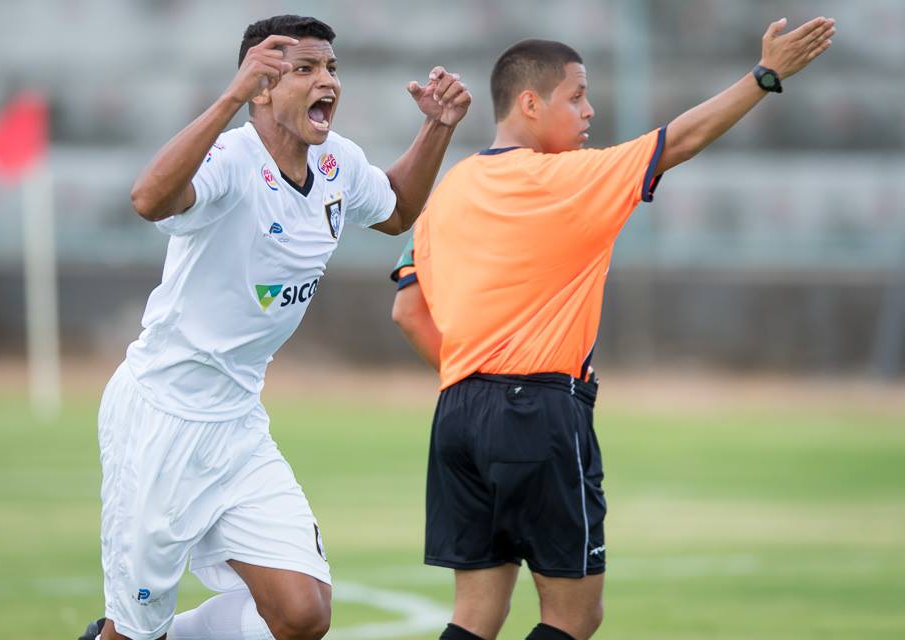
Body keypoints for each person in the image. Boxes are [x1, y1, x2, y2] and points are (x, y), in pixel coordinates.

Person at [391, 17, 835, 640]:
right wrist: (766, 76)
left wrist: (475, 376)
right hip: (538, 412)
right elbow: (678, 141)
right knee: (574, 616)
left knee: (476, 614)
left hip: (458, 413)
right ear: (529, 103)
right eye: (576, 96)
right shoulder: (569, 178)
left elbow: (407, 311)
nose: (589, 110)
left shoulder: (448, 189)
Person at [79, 14, 471, 640]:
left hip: (237, 426)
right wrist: (231, 96)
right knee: (132, 629)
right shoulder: (230, 158)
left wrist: (437, 127)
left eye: (332, 69)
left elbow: (397, 209)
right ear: (261, 88)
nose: (328, 82)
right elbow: (149, 199)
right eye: (306, 69)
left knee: (302, 613)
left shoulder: (338, 164)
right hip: (160, 420)